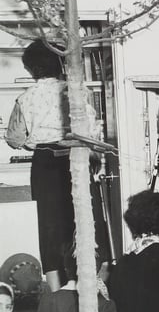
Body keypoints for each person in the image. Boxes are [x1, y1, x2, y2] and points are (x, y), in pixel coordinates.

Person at [4, 39, 103, 292]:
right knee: (80, 221)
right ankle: (86, 287)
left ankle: (58, 291)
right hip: (75, 159)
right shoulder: (78, 92)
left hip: (45, 163)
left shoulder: (25, 98)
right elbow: (92, 132)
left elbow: (14, 139)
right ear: (61, 63)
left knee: (49, 227)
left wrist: (30, 142)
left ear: (30, 68)